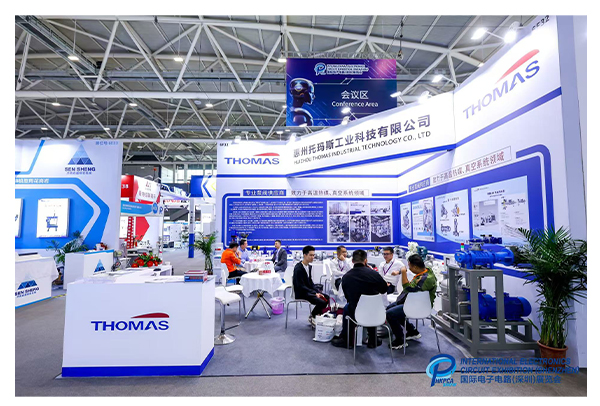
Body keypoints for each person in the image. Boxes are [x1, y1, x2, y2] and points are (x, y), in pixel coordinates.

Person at [331, 249, 388, 349]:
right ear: (365, 261)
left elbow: (347, 297)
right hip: (376, 312)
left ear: (352, 261)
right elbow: (384, 289)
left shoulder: (346, 277)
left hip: (356, 311)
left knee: (347, 307)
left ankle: (347, 339)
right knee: (370, 307)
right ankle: (373, 339)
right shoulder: (374, 274)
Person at [385, 254, 438, 350]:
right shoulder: (425, 271)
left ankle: (400, 340)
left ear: (416, 267)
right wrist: (401, 272)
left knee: (390, 314)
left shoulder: (427, 279)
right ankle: (412, 331)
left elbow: (408, 289)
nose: (409, 269)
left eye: (410, 267)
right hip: (411, 302)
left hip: (419, 306)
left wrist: (403, 273)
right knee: (390, 308)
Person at [292, 245, 330, 326]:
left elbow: (310, 282)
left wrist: (317, 291)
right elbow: (300, 286)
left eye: (313, 255)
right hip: (301, 292)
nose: (313, 257)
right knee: (322, 302)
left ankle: (317, 315)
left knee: (326, 297)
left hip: (308, 291)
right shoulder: (298, 268)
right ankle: (313, 316)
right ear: (304, 255)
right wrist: (314, 293)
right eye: (311, 255)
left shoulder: (309, 266)